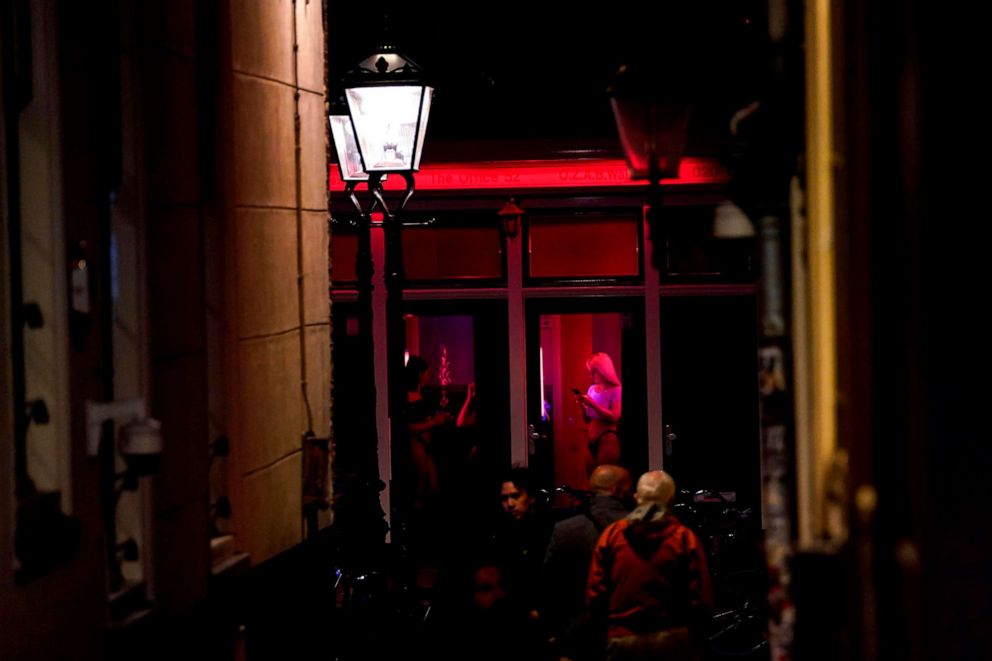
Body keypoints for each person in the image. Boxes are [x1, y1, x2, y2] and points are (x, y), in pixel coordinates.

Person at [586, 470, 714, 661]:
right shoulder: (684, 538)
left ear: (637, 497)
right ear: (671, 500)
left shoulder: (613, 535)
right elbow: (701, 599)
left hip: (623, 639)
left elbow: (595, 594)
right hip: (672, 639)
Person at [541, 465, 633, 661]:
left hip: (581, 633)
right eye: (630, 488)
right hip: (632, 633)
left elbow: (549, 584)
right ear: (617, 490)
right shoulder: (642, 529)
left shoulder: (565, 530)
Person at [490, 465, 554, 621]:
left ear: (531, 497)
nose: (510, 503)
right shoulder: (500, 535)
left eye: (516, 496)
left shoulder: (547, 531)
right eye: (504, 498)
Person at [405, 355, 451, 510]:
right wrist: (434, 422)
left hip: (428, 445)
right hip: (416, 444)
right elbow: (408, 427)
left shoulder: (425, 393)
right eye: (426, 373)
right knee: (420, 486)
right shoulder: (406, 396)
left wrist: (439, 418)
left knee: (434, 487)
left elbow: (427, 415)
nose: (428, 376)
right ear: (418, 374)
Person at [575, 352, 623, 474]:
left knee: (605, 478)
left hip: (607, 438)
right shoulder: (592, 389)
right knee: (591, 477)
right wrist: (583, 406)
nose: (591, 375)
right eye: (590, 371)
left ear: (603, 371)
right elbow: (587, 419)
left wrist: (593, 404)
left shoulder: (616, 390)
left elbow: (615, 416)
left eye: (594, 371)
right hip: (591, 438)